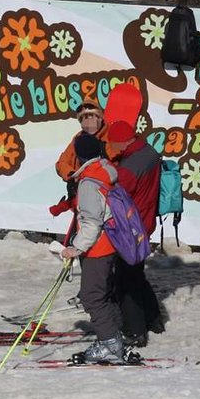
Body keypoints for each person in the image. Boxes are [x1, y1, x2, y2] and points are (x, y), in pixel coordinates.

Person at [60, 132, 124, 363]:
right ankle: (110, 335)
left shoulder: (89, 182)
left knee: (92, 296)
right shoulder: (104, 170)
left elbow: (92, 221)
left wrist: (75, 248)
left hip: (97, 247)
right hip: (109, 243)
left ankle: (110, 344)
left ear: (79, 155)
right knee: (100, 293)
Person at [107, 120, 164, 347]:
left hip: (131, 227)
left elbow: (116, 192)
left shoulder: (129, 168)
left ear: (121, 141)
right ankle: (153, 319)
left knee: (125, 280)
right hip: (145, 220)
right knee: (136, 273)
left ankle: (135, 331)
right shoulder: (148, 152)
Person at [50, 96, 109, 217]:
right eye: (84, 117)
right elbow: (61, 163)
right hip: (82, 196)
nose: (88, 120)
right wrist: (72, 175)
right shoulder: (78, 139)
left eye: (91, 116)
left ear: (99, 117)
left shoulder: (110, 137)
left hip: (106, 198)